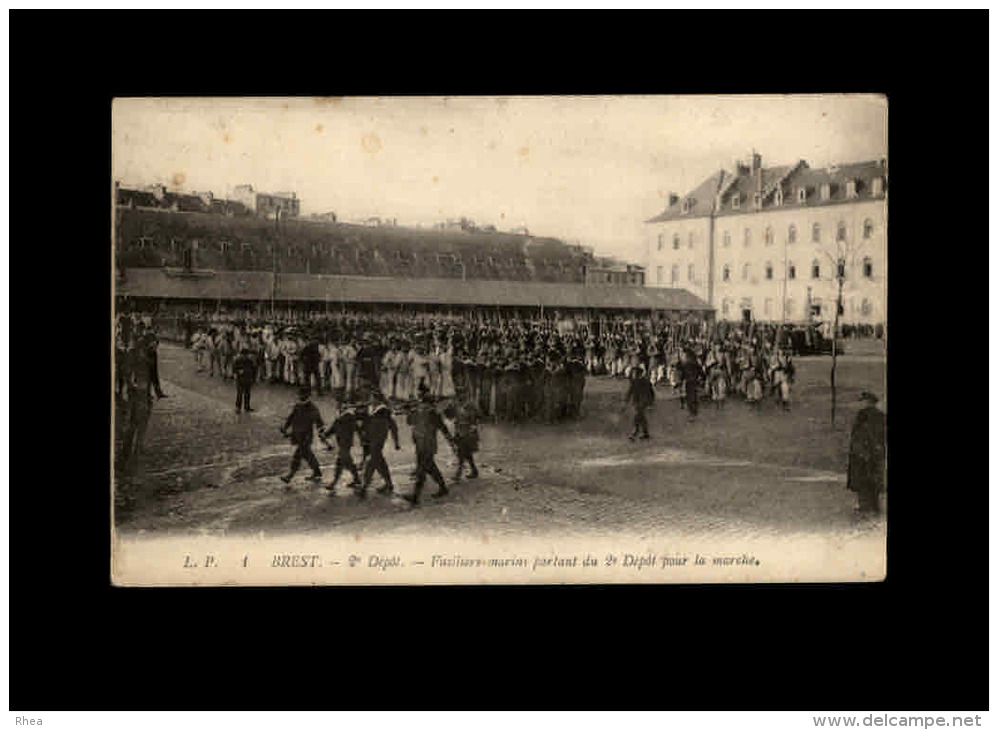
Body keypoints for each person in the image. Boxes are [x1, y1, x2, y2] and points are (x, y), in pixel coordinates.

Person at [404, 383, 453, 506]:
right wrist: (410, 411)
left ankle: (415, 496)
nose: (422, 405)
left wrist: (451, 442)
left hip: (427, 444)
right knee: (430, 467)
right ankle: (443, 488)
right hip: (422, 444)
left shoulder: (431, 412)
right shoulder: (424, 411)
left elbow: (442, 427)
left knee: (422, 468)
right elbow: (410, 422)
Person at [847, 391, 887, 515]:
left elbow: (858, 434)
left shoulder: (862, 415)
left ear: (868, 402)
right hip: (877, 451)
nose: (861, 403)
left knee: (862, 478)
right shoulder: (881, 416)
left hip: (863, 451)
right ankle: (875, 506)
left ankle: (864, 506)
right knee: (875, 477)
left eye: (862, 401)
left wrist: (857, 449)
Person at [279, 386, 325, 487]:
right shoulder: (297, 406)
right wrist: (285, 427)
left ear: (308, 395)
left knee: (298, 455)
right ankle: (317, 472)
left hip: (305, 436)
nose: (300, 396)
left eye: (302, 394)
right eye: (299, 394)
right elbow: (291, 418)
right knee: (308, 455)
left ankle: (290, 476)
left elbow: (319, 422)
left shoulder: (312, 408)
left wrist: (322, 434)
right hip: (297, 435)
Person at [360, 394, 401, 498]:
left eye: (371, 398)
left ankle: (365, 486)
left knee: (372, 462)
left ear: (378, 399)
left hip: (378, 440)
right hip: (371, 439)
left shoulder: (385, 411)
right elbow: (365, 425)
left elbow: (393, 427)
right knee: (380, 463)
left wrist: (396, 442)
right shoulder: (370, 410)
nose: (369, 399)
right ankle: (389, 484)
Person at [322, 403, 362, 492]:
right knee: (347, 462)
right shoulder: (341, 416)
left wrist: (326, 434)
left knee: (340, 462)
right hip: (342, 443)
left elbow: (357, 428)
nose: (338, 407)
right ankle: (357, 480)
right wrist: (326, 434)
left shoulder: (349, 417)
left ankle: (334, 483)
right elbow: (334, 427)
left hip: (346, 443)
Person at [624, 364, 655, 440]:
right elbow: (630, 391)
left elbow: (651, 393)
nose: (633, 375)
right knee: (641, 417)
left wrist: (650, 403)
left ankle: (635, 432)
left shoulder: (645, 382)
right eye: (632, 373)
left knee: (637, 417)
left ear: (639, 374)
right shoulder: (634, 382)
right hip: (637, 402)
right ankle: (645, 433)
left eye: (634, 373)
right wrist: (627, 399)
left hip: (643, 402)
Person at [232, 347, 258, 413]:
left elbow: (254, 370)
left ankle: (247, 407)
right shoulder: (237, 360)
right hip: (240, 380)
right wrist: (238, 372)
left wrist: (254, 379)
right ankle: (238, 408)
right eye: (244, 355)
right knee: (240, 394)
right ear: (241, 354)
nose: (245, 356)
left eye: (246, 355)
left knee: (247, 394)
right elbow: (234, 370)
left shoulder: (250, 361)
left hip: (248, 380)